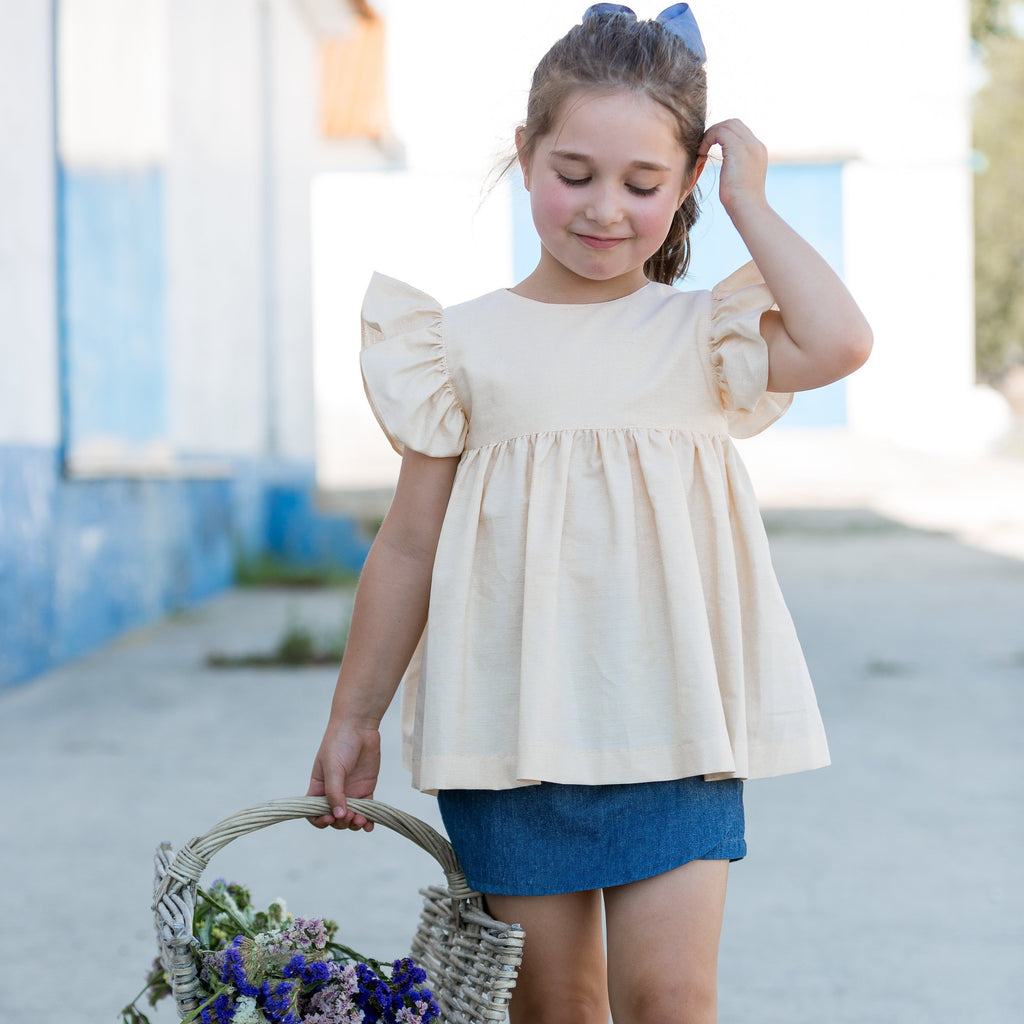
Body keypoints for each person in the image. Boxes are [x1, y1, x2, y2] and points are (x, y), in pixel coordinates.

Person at [307, 4, 872, 1022]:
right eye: (574, 172)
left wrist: (748, 198)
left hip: (676, 724)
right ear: (524, 157)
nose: (604, 207)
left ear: (686, 179)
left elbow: (840, 342)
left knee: (671, 999)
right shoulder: (457, 346)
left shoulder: (704, 334)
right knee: (556, 1006)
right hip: (509, 733)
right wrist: (355, 715)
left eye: (643, 182)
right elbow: (408, 545)